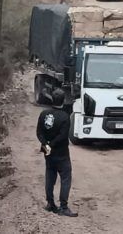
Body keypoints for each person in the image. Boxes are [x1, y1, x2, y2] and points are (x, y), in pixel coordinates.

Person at [36, 88, 78, 217]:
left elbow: (39, 132)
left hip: (47, 151)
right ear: (64, 100)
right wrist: (52, 144)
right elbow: (63, 136)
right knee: (65, 178)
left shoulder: (43, 114)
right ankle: (63, 207)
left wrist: (46, 145)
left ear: (51, 99)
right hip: (61, 153)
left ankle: (50, 203)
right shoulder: (65, 117)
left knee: (50, 176)